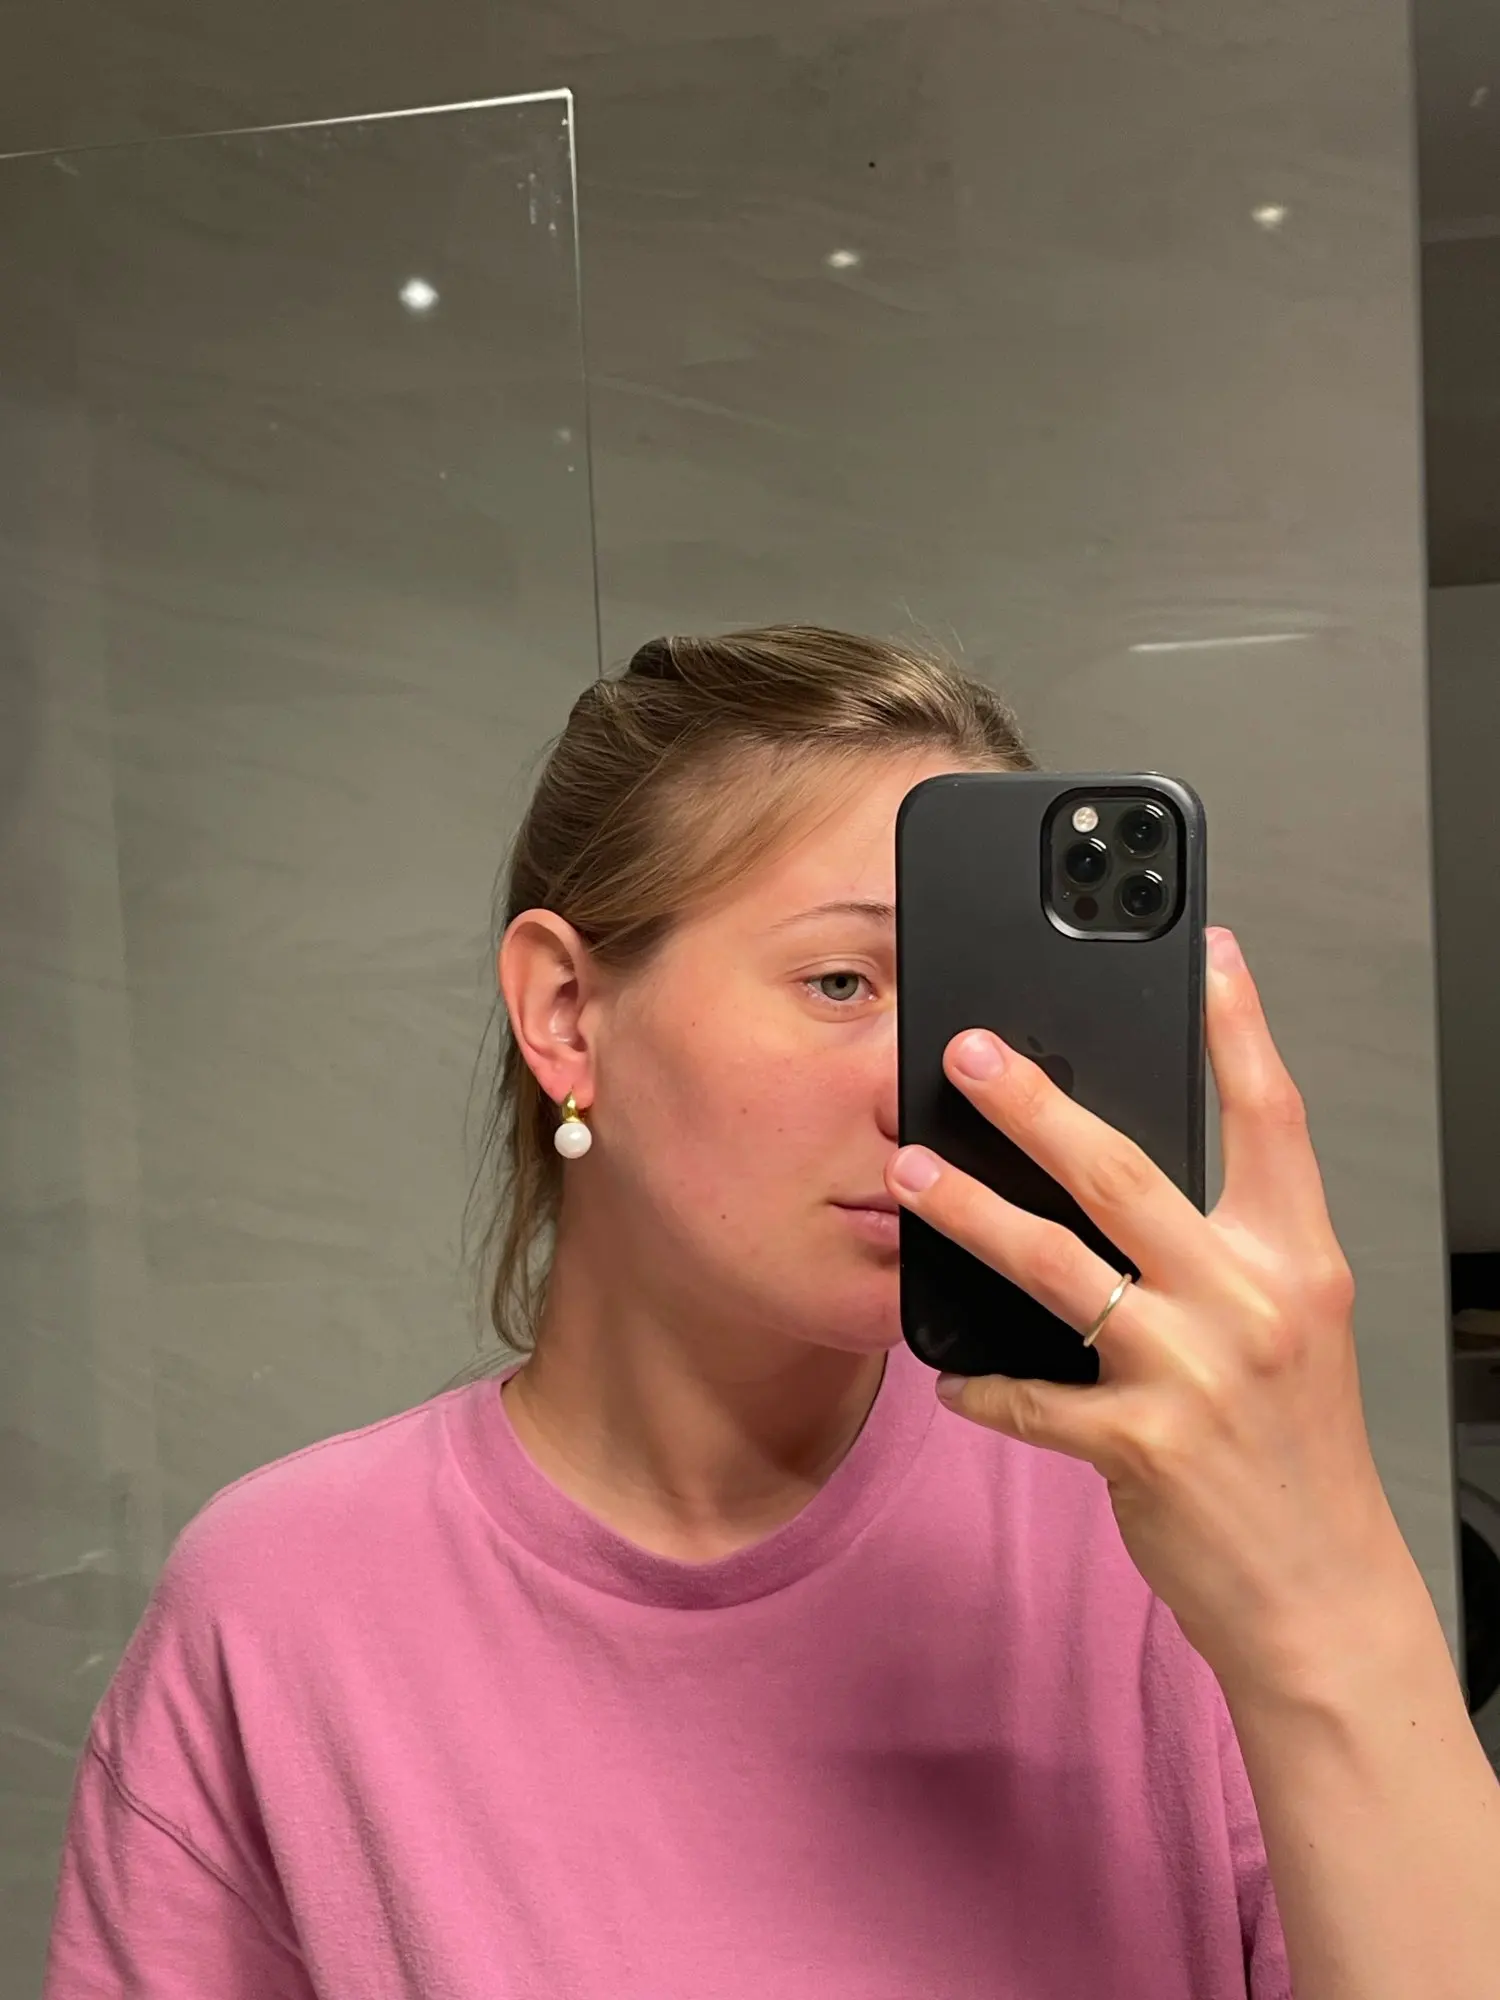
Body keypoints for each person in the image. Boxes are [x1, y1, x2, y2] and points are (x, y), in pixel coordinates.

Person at [43, 628, 1500, 2000]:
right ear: (565, 1011)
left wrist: (1330, 1598)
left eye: (971, 1005)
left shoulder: (1153, 1530)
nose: (931, 1093)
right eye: (842, 980)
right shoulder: (281, 1608)